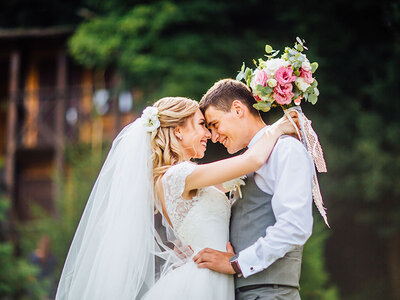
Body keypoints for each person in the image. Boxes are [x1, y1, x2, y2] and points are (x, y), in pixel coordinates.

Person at [55, 96, 297, 300]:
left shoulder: (178, 177)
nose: (209, 135)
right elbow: (250, 161)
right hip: (204, 279)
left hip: (211, 272)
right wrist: (278, 128)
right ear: (178, 130)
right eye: (202, 124)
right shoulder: (178, 175)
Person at [193, 78, 314, 300]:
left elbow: (296, 226)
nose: (214, 137)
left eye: (215, 125)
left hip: (271, 294)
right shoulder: (247, 161)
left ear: (238, 109)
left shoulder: (285, 150)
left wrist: (237, 263)